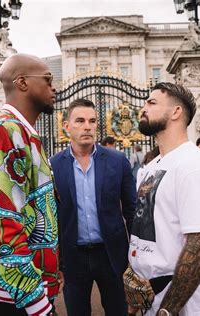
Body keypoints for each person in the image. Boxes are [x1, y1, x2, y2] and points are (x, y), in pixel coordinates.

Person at [0, 53, 61, 315]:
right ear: (22, 83)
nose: (53, 87)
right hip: (16, 298)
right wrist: (38, 305)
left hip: (27, 289)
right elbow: (3, 230)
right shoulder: (3, 132)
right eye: (47, 79)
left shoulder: (20, 132)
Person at [126, 82, 200, 316]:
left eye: (152, 102)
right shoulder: (150, 166)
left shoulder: (192, 166)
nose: (144, 107)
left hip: (180, 304)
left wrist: (168, 309)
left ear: (176, 112)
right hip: (147, 295)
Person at [50, 98, 136, 316]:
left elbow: (132, 211)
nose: (87, 126)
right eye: (79, 121)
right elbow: (50, 217)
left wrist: (136, 257)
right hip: (73, 258)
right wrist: (56, 263)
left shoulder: (118, 161)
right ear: (67, 126)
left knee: (118, 311)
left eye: (92, 121)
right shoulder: (53, 165)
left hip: (112, 255)